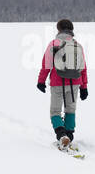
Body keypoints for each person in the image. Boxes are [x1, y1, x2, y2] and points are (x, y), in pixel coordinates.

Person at [36, 19, 88, 149]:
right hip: (75, 83)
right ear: (71, 30)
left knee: (55, 111)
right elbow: (83, 68)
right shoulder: (77, 45)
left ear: (59, 30)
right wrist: (84, 87)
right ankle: (69, 136)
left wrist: (41, 81)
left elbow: (46, 65)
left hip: (57, 82)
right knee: (71, 110)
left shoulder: (53, 44)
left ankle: (61, 135)